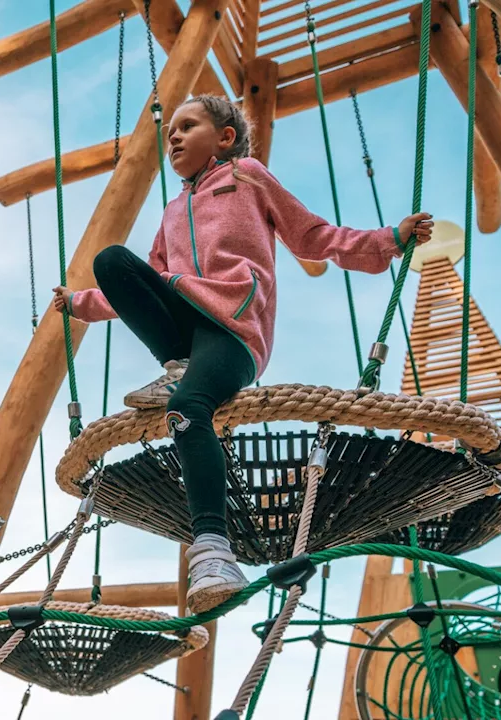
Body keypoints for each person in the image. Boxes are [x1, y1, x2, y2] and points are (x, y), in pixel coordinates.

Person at [52, 94, 432, 614]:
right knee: (112, 262)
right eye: (171, 133)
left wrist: (389, 239)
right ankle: (176, 366)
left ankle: (213, 549)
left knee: (186, 409)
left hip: (232, 329)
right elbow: (146, 282)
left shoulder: (248, 177)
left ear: (225, 138)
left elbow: (313, 235)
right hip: (184, 325)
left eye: (188, 126)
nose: (175, 137)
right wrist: (79, 304)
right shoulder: (172, 210)